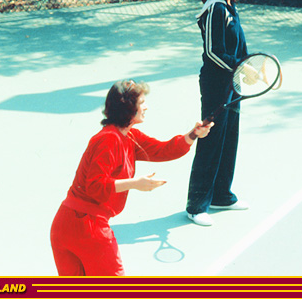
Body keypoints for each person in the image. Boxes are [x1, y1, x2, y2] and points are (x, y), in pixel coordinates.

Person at [50, 80, 213, 276]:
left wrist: (193, 134)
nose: (146, 107)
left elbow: (163, 150)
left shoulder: (129, 136)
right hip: (89, 228)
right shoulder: (109, 139)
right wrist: (136, 184)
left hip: (65, 225)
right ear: (128, 108)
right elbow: (95, 186)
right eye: (142, 102)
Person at [186, 0, 250, 227]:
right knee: (211, 141)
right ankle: (196, 204)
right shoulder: (214, 9)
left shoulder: (229, 6)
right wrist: (238, 66)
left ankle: (221, 195)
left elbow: (239, 47)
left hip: (233, 83)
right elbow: (213, 51)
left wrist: (248, 66)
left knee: (229, 139)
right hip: (216, 84)